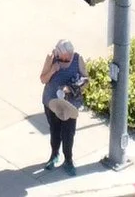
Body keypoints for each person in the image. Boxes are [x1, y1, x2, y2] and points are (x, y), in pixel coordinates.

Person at [39, 39, 85, 175]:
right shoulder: (51, 58)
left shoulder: (78, 59)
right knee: (55, 130)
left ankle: (68, 160)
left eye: (69, 57)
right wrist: (53, 70)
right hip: (52, 103)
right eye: (64, 58)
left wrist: (71, 88)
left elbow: (86, 79)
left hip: (70, 105)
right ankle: (54, 155)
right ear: (58, 54)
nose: (67, 59)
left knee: (69, 133)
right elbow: (43, 79)